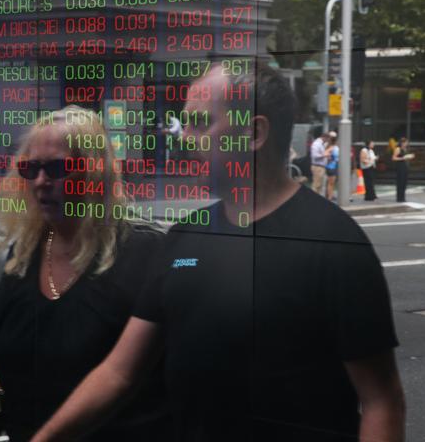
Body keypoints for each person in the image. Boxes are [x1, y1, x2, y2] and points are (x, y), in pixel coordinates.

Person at [31, 65, 405, 442]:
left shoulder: (334, 244)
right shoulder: (183, 238)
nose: (185, 137)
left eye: (199, 123)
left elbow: (381, 401)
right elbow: (120, 372)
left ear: (253, 133)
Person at [0, 106, 169, 441]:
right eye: (30, 168)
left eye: (57, 168)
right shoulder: (25, 253)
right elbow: (5, 363)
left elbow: (124, 375)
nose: (41, 181)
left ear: (95, 172)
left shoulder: (143, 252)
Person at [392, 137, 414, 202]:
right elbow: (393, 158)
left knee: (404, 182)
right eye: (406, 142)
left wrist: (409, 156)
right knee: (400, 182)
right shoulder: (398, 149)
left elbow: (405, 157)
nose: (407, 144)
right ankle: (399, 198)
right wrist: (402, 158)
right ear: (402, 143)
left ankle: (403, 197)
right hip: (400, 167)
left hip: (405, 167)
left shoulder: (405, 149)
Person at [324, 134, 339, 200]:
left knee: (332, 183)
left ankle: (330, 196)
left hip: (333, 166)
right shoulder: (333, 148)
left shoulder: (334, 147)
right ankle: (329, 197)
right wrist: (329, 157)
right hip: (331, 167)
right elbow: (324, 154)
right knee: (331, 183)